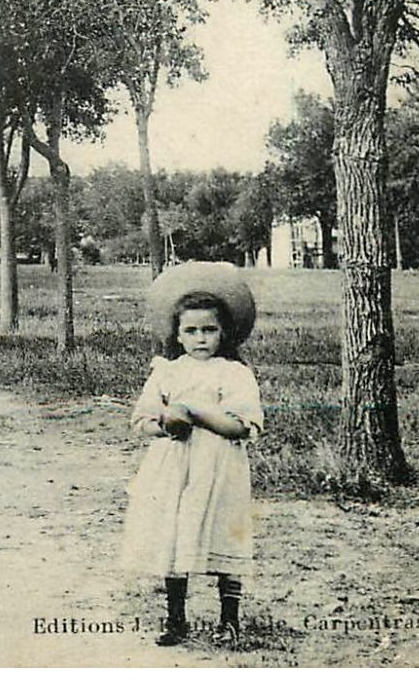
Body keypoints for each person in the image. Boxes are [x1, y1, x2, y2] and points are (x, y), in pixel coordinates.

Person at [121, 262, 264, 648]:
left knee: (225, 533)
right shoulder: (166, 372)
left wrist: (198, 413)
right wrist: (167, 423)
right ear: (178, 335)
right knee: (174, 531)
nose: (201, 338)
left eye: (209, 330)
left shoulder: (234, 373)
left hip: (219, 465)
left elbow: (242, 425)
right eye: (191, 330)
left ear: (224, 332)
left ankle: (229, 620)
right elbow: (142, 420)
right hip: (175, 466)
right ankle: (176, 618)